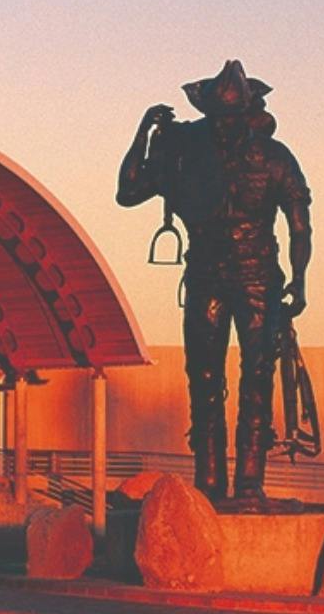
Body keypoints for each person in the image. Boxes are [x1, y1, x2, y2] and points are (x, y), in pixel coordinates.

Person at [117, 60, 312, 504]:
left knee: (257, 378)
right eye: (218, 118)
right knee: (203, 378)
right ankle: (208, 482)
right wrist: (144, 132)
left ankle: (248, 482)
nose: (224, 126)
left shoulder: (275, 156)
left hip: (258, 276)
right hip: (205, 274)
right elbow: (128, 192)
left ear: (247, 112)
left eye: (231, 117)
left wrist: (299, 281)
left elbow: (300, 224)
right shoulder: (184, 152)